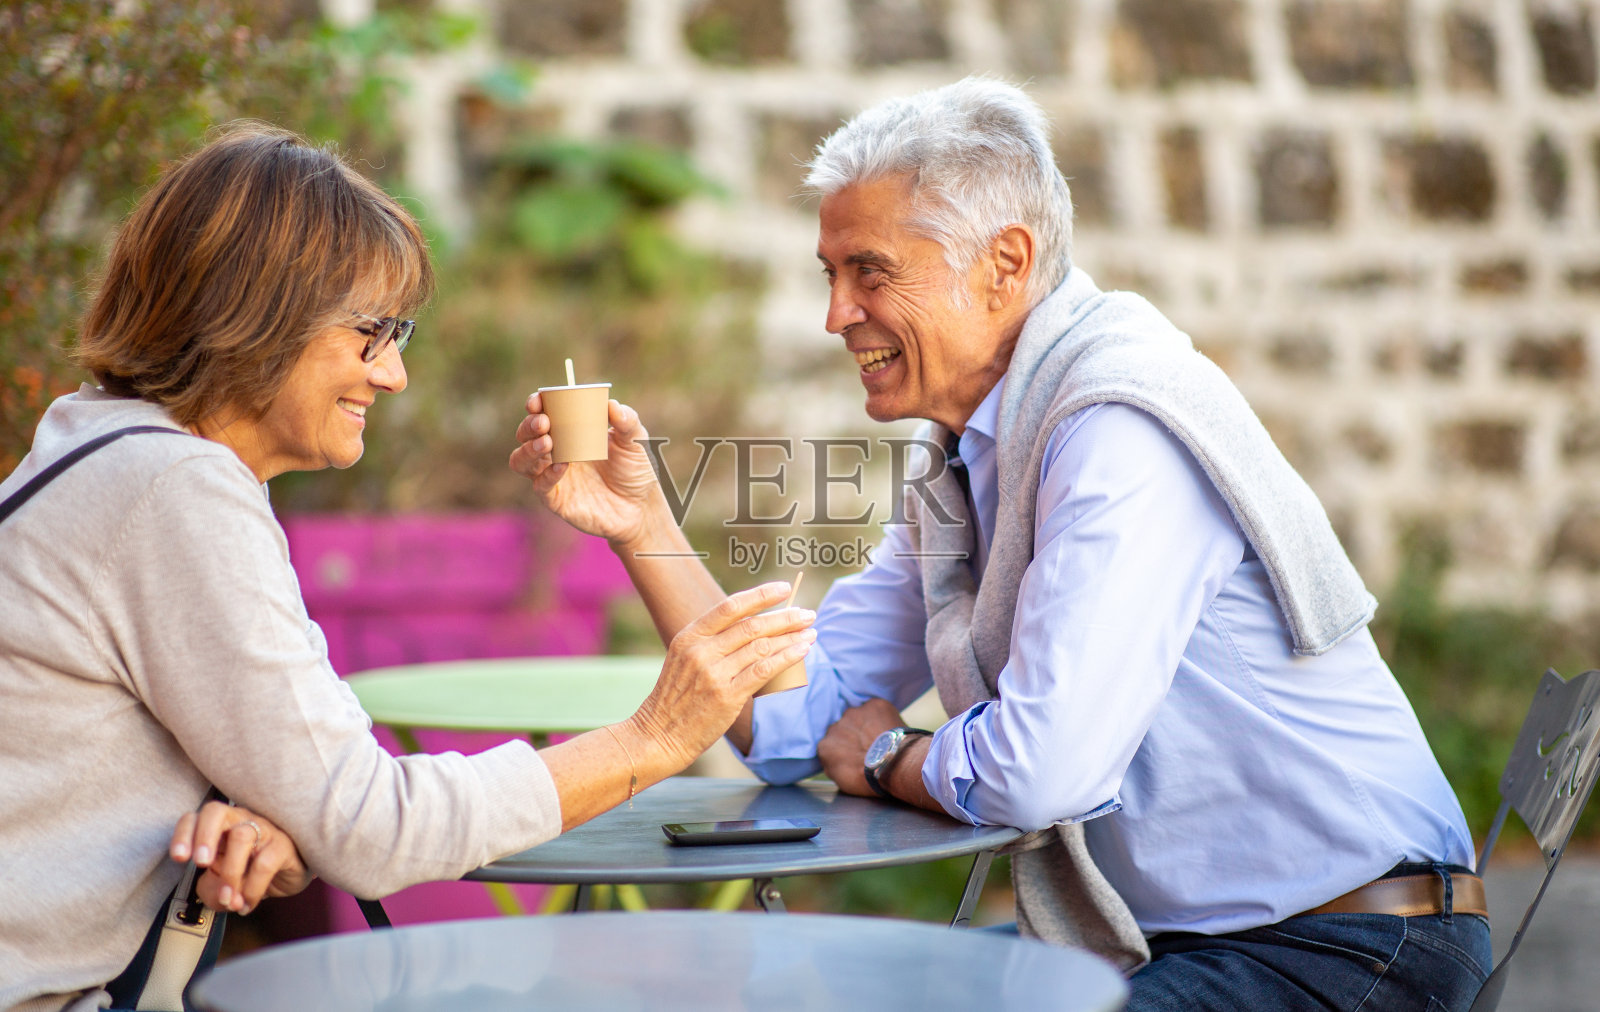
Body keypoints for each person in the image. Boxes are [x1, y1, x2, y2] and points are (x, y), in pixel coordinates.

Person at [511, 78, 1490, 1010]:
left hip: (1349, 944)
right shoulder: (967, 458)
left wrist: (892, 752)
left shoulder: (1117, 431)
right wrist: (644, 524)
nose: (834, 315)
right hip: (1189, 940)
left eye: (870, 273)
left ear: (1006, 264)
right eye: (832, 273)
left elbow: (1042, 769)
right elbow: (789, 727)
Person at [0, 123, 815, 1012]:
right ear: (259, 315)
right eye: (370, 334)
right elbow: (372, 827)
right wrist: (657, 735)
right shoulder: (175, 490)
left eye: (401, 335)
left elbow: (321, 791)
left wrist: (285, 817)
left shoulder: (101, 443)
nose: (393, 376)